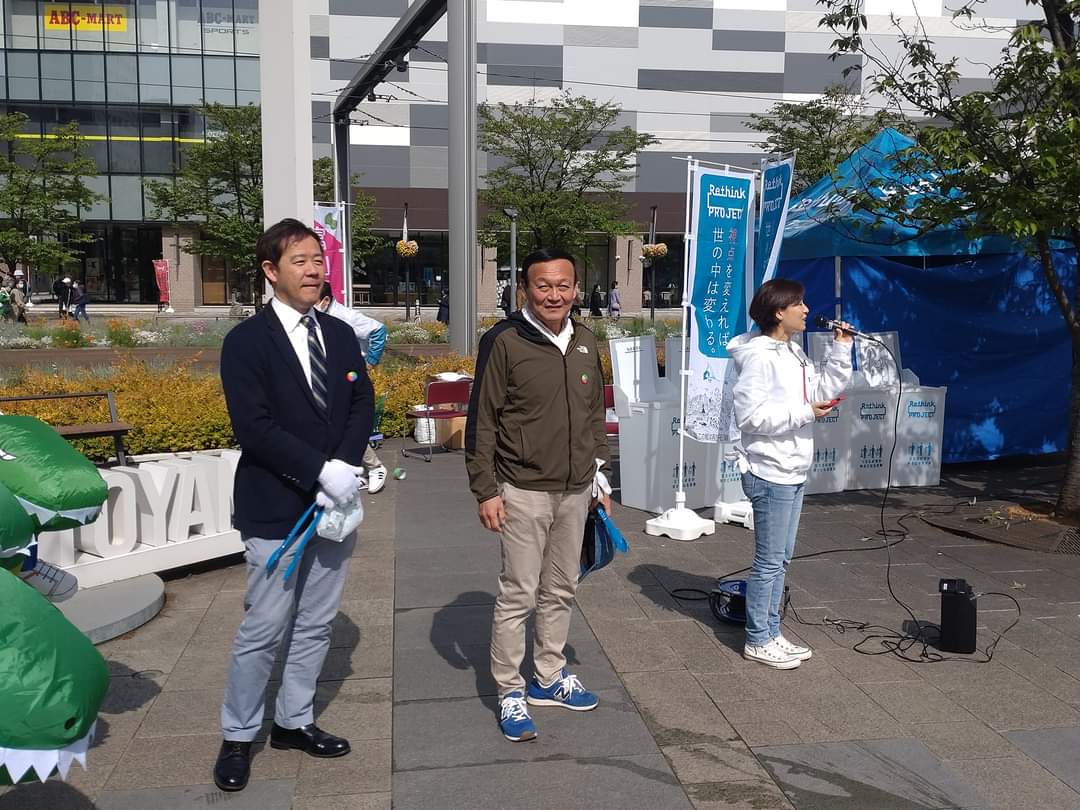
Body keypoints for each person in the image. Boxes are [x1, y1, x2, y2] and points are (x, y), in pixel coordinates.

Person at [212, 219, 374, 793]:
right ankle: (238, 734)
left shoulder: (339, 333)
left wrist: (343, 467)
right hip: (275, 505)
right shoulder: (246, 342)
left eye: (317, 260)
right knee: (264, 626)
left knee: (316, 622)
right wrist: (318, 470)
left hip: (335, 505)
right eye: (300, 261)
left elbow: (360, 402)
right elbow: (253, 427)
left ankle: (293, 720)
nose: (313, 270)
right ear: (270, 270)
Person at [466, 247, 611, 743]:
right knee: (518, 594)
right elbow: (482, 420)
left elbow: (594, 414)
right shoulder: (503, 341)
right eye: (543, 286)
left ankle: (548, 676)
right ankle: (510, 690)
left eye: (563, 285)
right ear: (525, 289)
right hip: (522, 488)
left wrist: (599, 477)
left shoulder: (586, 340)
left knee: (562, 588)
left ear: (576, 289)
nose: (554, 295)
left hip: (576, 489)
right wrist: (485, 489)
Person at [727, 279, 853, 670]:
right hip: (769, 470)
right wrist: (803, 414)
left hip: (792, 466)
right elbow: (750, 418)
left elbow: (821, 389)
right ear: (779, 311)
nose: (806, 309)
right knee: (769, 562)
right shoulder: (760, 358)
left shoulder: (793, 351)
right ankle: (757, 639)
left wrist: (841, 348)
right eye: (798, 303)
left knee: (781, 560)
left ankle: (770, 631)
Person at [315, 281, 390, 493]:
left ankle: (374, 467)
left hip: (350, 376)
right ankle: (360, 471)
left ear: (325, 301)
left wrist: (370, 362)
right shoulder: (318, 317)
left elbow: (379, 330)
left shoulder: (344, 316)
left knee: (342, 422)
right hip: (331, 376)